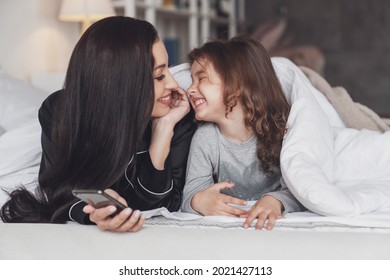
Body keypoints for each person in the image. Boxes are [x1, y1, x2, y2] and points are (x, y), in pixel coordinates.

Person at [0, 16, 196, 232]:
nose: (173, 83)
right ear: (123, 83)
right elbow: (57, 189)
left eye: (168, 69)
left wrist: (162, 133)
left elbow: (165, 205)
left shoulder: (179, 115)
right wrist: (93, 211)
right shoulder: (60, 111)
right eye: (159, 76)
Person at [181, 35, 305, 230]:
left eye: (201, 78)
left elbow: (303, 188)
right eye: (191, 80)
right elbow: (191, 193)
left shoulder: (281, 130)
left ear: (237, 85)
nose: (190, 89)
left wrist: (275, 201)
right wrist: (199, 201)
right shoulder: (205, 139)